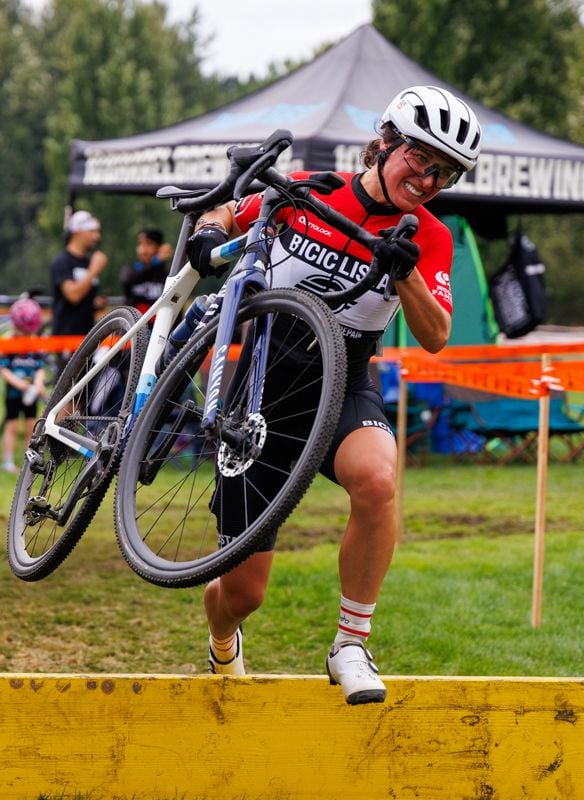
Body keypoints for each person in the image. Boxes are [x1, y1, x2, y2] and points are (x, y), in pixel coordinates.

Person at [185, 85, 481, 705]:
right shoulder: (309, 192)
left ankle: (350, 643)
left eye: (445, 173)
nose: (428, 180)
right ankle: (221, 642)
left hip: (344, 382)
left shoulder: (428, 236)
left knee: (378, 479)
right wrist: (207, 234)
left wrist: (404, 274)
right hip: (264, 393)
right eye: (420, 160)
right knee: (242, 595)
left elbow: (436, 336)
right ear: (386, 144)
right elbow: (226, 216)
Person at [0, 297, 47, 473]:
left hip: (31, 394)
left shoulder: (36, 343)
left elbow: (41, 367)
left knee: (30, 428)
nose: (26, 336)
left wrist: (39, 383)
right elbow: (2, 369)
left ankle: (29, 461)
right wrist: (19, 385)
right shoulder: (9, 342)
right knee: (11, 426)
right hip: (13, 394)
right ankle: (7, 461)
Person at [50, 210, 108, 336]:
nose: (97, 237)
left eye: (98, 232)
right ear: (77, 232)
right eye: (92, 231)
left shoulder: (88, 263)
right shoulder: (62, 262)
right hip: (65, 339)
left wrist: (95, 303)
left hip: (87, 338)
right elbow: (73, 296)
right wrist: (93, 271)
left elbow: (82, 299)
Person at [120, 227, 172, 313]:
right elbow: (128, 280)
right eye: (140, 244)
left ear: (158, 247)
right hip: (135, 323)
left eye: (149, 244)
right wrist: (156, 261)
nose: (143, 249)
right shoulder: (132, 269)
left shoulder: (167, 275)